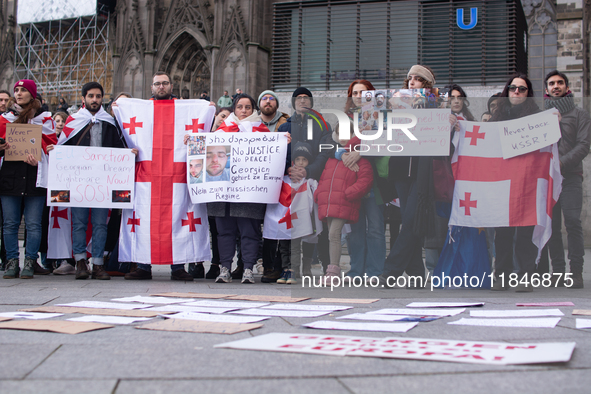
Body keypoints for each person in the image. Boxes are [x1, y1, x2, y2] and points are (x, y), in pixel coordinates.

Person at [48, 82, 127, 280]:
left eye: (98, 96)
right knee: (79, 223)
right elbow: (63, 145)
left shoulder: (109, 121)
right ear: (83, 99)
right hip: (79, 183)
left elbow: (119, 149)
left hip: (102, 183)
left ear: (102, 98)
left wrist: (128, 154)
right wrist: (55, 152)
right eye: (90, 96)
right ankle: (81, 261)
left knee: (101, 224)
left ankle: (98, 264)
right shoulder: (74, 120)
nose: (94, 100)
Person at [122, 71, 196, 281]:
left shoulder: (184, 111)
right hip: (148, 176)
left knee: (177, 216)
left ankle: (178, 267)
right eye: (157, 84)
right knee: (145, 219)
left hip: (175, 175)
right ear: (151, 88)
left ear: (171, 86)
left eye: (165, 83)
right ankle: (143, 267)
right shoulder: (142, 111)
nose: (161, 87)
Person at [379, 65, 438, 288]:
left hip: (423, 167)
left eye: (418, 79)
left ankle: (390, 270)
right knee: (409, 221)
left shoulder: (434, 104)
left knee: (412, 220)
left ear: (426, 84)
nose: (412, 81)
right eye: (410, 78)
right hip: (401, 166)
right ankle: (415, 275)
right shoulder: (396, 103)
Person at [0, 79, 57, 279]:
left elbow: (52, 149)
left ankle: (30, 262)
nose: (18, 93)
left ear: (32, 94)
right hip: (10, 178)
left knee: (33, 224)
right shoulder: (4, 119)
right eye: (16, 90)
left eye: (23, 90)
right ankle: (12, 262)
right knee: (10, 224)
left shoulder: (45, 120)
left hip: (35, 178)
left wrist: (40, 158)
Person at [489, 74, 541, 292]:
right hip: (503, 183)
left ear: (528, 93)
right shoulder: (496, 118)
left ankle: (526, 276)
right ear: (507, 92)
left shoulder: (539, 117)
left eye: (522, 89)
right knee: (502, 232)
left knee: (525, 231)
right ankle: (501, 276)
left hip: (528, 181)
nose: (517, 92)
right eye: (513, 88)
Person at [208, 94, 265, 284]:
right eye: (240, 107)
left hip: (249, 190)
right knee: (224, 231)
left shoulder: (262, 131)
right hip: (224, 191)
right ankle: (225, 268)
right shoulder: (221, 131)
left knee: (250, 231)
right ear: (234, 109)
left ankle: (247, 268)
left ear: (253, 110)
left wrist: (284, 141)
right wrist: (190, 141)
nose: (243, 111)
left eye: (248, 107)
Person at [278, 87, 334, 277]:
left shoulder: (322, 125)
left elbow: (326, 151)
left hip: (314, 181)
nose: (303, 101)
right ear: (293, 103)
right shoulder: (285, 126)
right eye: (299, 98)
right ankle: (290, 267)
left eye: (306, 98)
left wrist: (308, 170)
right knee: (293, 223)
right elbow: (278, 152)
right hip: (290, 183)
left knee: (315, 225)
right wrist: (288, 168)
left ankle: (311, 265)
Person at [339, 80, 391, 279]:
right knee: (355, 229)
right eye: (355, 93)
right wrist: (341, 155)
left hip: (374, 182)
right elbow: (333, 143)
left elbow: (387, 143)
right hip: (351, 181)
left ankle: (375, 271)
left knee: (376, 228)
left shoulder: (381, 117)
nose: (359, 96)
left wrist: (361, 152)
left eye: (364, 93)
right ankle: (356, 270)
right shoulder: (345, 119)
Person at [544, 70, 591, 289]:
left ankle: (576, 272)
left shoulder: (580, 114)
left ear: (566, 87)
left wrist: (560, 163)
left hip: (570, 176)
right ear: (546, 90)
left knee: (572, 222)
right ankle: (558, 272)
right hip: (546, 179)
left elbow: (583, 145)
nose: (556, 86)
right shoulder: (540, 115)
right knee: (551, 226)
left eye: (560, 83)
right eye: (552, 83)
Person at [314, 132, 373, 281]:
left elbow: (365, 180)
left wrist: (348, 194)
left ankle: (333, 271)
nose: (343, 139)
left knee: (334, 234)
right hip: (329, 202)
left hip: (344, 203)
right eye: (339, 135)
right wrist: (319, 193)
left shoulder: (360, 159)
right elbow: (324, 178)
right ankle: (332, 271)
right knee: (331, 235)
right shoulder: (333, 158)